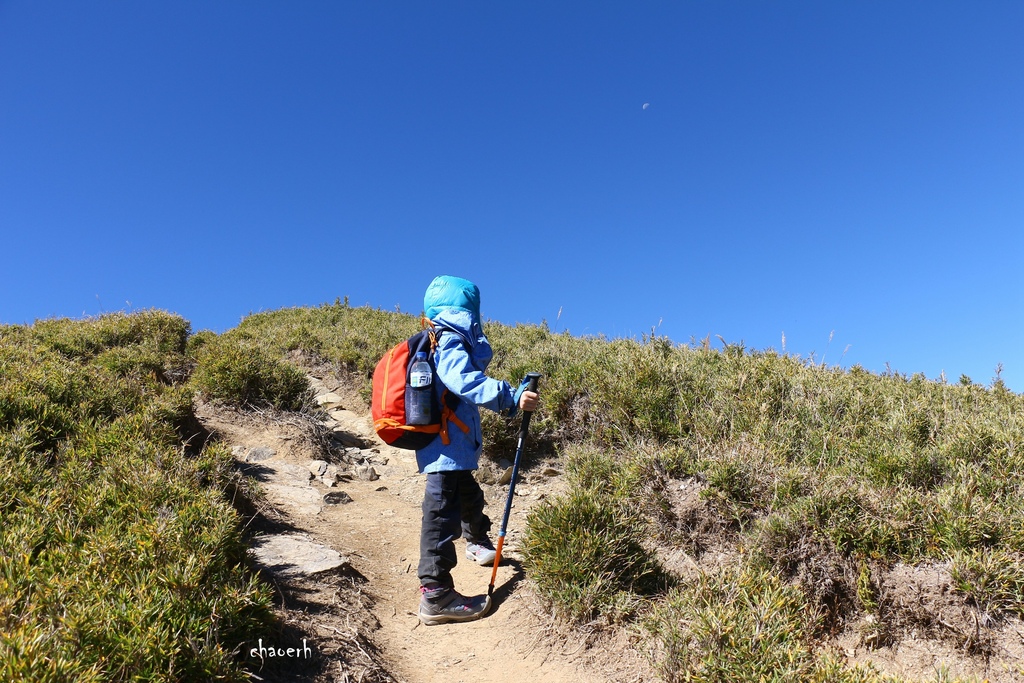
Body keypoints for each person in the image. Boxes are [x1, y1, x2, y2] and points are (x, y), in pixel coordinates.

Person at [415, 275, 539, 626]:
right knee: (439, 515)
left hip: (449, 444)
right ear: (468, 311)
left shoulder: (438, 337)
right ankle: (435, 594)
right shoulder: (450, 338)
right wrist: (509, 397)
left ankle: (477, 541)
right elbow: (461, 380)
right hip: (444, 445)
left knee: (467, 494)